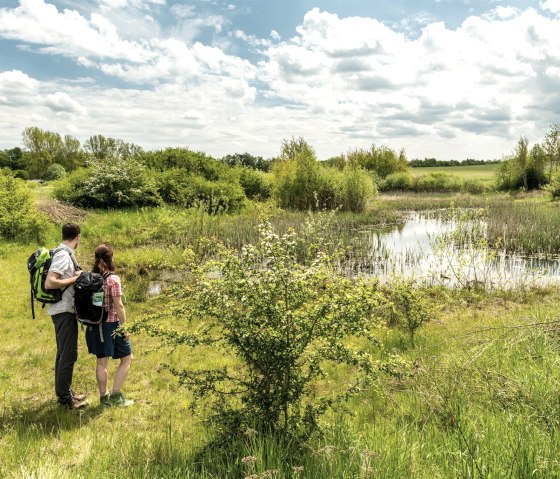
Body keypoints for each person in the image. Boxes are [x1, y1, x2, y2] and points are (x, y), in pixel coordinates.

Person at [44, 223, 87, 409]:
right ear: (77, 237)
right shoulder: (63, 255)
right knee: (69, 355)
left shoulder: (63, 253)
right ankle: (65, 399)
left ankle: (65, 393)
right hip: (63, 310)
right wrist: (76, 279)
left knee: (63, 353)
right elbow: (50, 282)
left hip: (62, 309)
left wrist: (74, 274)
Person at [85, 244, 134, 407]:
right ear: (110, 258)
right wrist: (125, 328)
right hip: (112, 325)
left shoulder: (91, 277)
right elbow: (119, 306)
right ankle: (115, 396)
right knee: (127, 358)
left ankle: (104, 398)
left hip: (96, 325)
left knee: (101, 362)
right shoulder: (113, 279)